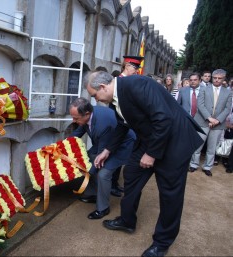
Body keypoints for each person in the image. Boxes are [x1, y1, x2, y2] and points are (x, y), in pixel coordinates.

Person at [84, 71, 204, 257]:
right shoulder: (116, 97)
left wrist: (151, 154)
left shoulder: (137, 84)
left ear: (103, 87)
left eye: (95, 96)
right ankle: (127, 220)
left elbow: (163, 118)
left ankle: (162, 243)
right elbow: (123, 125)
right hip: (151, 138)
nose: (96, 100)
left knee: (170, 194)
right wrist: (107, 150)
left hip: (174, 142)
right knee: (131, 173)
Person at [69, 97, 135, 219]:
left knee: (103, 174)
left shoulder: (102, 125)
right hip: (104, 143)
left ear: (87, 114)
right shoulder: (86, 116)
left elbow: (100, 158)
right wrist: (61, 148)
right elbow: (76, 135)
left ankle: (103, 208)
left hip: (122, 146)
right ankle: (93, 194)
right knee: (87, 159)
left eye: (76, 118)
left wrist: (87, 171)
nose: (73, 121)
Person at [110, 55, 143, 197]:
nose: (136, 71)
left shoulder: (130, 81)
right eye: (135, 68)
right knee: (116, 153)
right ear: (127, 65)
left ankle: (115, 183)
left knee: (123, 153)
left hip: (128, 124)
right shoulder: (117, 82)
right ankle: (111, 184)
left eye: (137, 68)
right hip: (118, 123)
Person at [191, 69, 232, 176]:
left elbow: (227, 109)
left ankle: (207, 167)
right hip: (202, 121)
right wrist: (209, 118)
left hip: (218, 125)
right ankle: (194, 164)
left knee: (212, 148)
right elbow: (200, 105)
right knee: (197, 145)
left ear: (223, 79)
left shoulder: (228, 92)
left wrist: (217, 120)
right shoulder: (204, 89)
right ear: (212, 77)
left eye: (220, 78)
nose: (217, 80)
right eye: (215, 78)